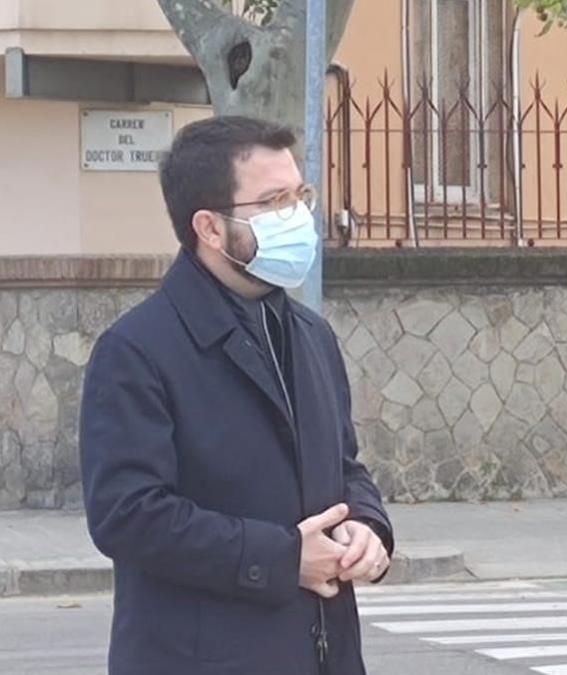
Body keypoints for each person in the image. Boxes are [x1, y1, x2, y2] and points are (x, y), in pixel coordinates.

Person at [79, 116, 394, 675]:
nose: (298, 216)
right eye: (273, 201)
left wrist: (368, 527)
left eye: (300, 194)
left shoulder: (310, 335)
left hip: (324, 652)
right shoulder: (137, 349)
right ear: (210, 227)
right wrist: (282, 558)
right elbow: (128, 515)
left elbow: (343, 467)